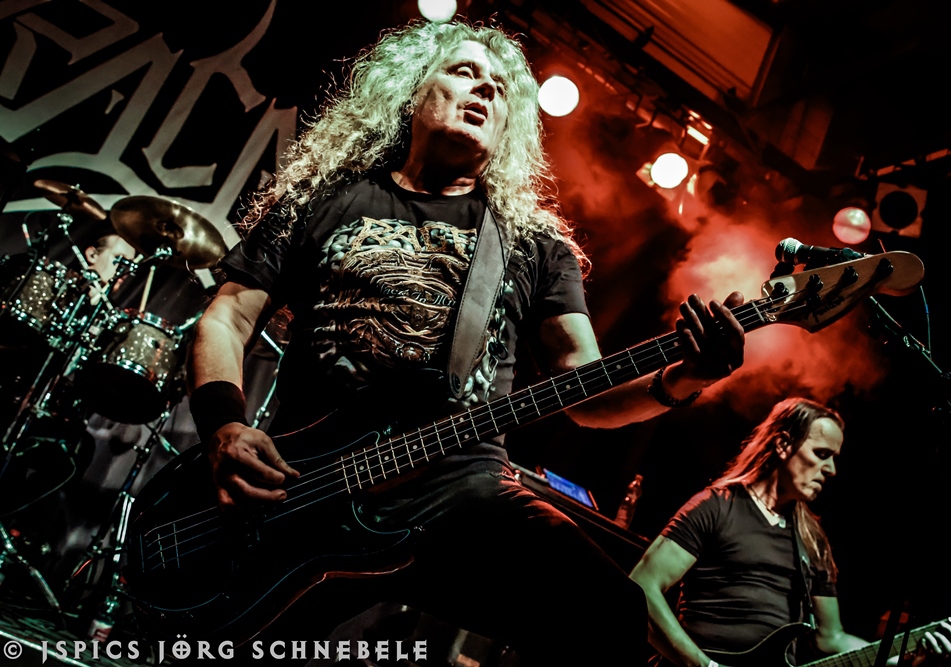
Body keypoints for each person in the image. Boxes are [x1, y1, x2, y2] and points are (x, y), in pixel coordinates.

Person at [188, 18, 746, 665]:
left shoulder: (533, 244)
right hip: (306, 483)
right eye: (464, 72)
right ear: (411, 91)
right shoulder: (327, 197)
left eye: (500, 88)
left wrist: (683, 378)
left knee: (610, 614)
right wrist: (224, 427)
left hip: (460, 485)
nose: (485, 90)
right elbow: (227, 317)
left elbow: (586, 389)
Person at [629, 398, 951, 667]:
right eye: (822, 454)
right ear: (784, 444)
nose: (831, 470)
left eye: (834, 458)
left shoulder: (812, 539)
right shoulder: (716, 506)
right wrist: (703, 665)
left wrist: (903, 654)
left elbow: (831, 638)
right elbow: (642, 586)